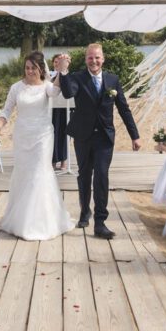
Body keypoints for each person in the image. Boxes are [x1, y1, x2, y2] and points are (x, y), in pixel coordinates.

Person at [57, 43, 141, 240]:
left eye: (97, 57)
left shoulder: (113, 79)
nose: (93, 61)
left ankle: (100, 222)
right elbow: (69, 93)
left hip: (104, 137)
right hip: (83, 136)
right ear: (85, 59)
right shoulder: (77, 77)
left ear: (103, 59)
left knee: (102, 176)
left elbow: (124, 108)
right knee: (85, 175)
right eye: (90, 58)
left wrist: (134, 135)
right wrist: (63, 71)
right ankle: (85, 210)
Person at [0, 52, 74, 241]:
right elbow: (6, 109)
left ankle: (42, 221)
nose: (30, 71)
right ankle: (21, 220)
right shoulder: (16, 88)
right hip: (23, 135)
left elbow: (56, 92)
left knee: (40, 172)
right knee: (24, 173)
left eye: (33, 68)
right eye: (27, 68)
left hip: (43, 136)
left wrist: (63, 69)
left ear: (41, 69)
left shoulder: (47, 86)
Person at [48, 53, 74, 171]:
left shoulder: (70, 76)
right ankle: (53, 160)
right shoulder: (49, 75)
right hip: (52, 109)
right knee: (53, 134)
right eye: (56, 61)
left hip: (66, 109)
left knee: (65, 134)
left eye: (60, 61)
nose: (58, 63)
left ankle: (64, 161)